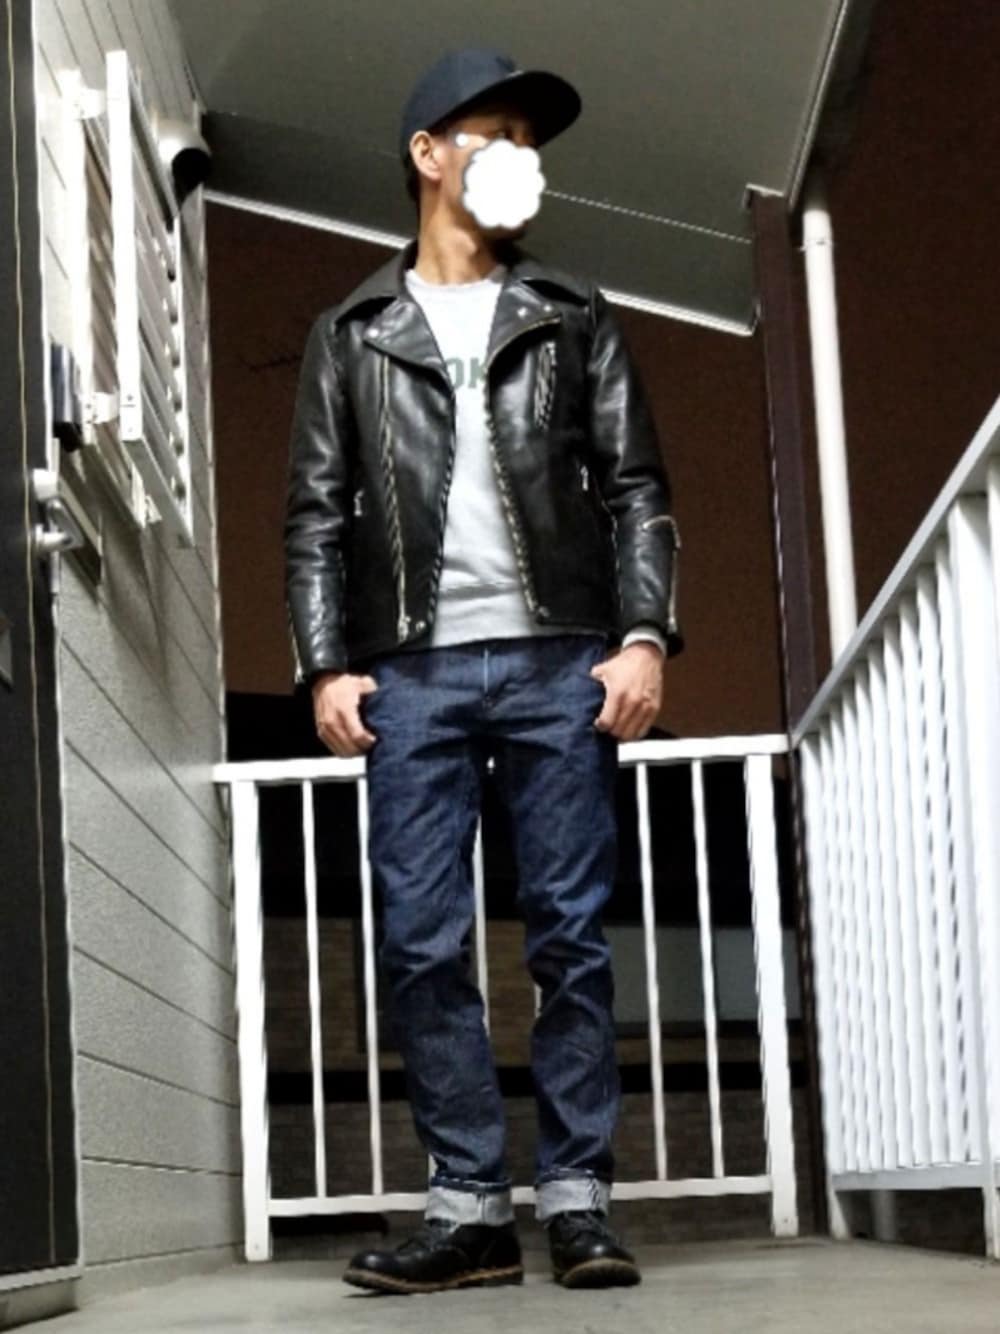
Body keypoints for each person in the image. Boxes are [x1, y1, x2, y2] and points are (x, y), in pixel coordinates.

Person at [284, 46, 684, 1294]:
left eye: (529, 140)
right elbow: (314, 515)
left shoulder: (571, 310)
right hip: (410, 674)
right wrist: (324, 664)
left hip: (562, 660)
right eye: (497, 133)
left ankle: (576, 1200)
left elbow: (636, 487)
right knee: (419, 939)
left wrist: (642, 634)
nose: (522, 157)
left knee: (569, 935)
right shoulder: (351, 330)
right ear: (427, 154)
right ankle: (466, 1209)